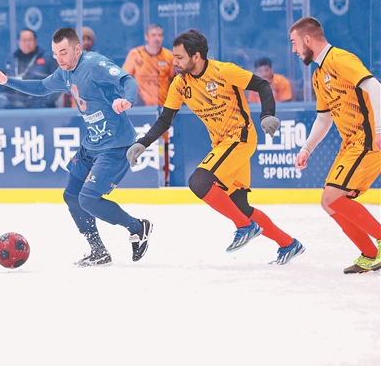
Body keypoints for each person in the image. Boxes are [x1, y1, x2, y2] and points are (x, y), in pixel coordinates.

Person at [127, 29, 305, 265]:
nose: (174, 61)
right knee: (241, 206)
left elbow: (262, 85)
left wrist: (267, 115)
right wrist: (143, 142)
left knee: (199, 182)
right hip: (223, 144)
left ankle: (244, 226)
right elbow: (165, 120)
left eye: (179, 57)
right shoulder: (179, 84)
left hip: (240, 137)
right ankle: (288, 244)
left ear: (196, 56)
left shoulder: (224, 71)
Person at [0, 27, 153, 267]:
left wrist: (128, 100)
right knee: (71, 196)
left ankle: (137, 227)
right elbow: (41, 87)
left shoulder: (94, 64)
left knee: (88, 200)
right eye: (55, 54)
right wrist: (7, 81)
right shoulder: (64, 72)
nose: (59, 59)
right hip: (91, 145)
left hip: (115, 145)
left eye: (63, 52)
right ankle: (98, 251)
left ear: (77, 49)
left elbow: (127, 80)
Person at [290, 17, 381, 273]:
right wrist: (307, 148)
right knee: (329, 202)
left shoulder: (340, 59)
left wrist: (379, 130)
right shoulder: (319, 75)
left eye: (294, 43)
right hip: (350, 144)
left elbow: (376, 88)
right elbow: (324, 118)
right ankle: (370, 254)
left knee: (333, 197)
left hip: (367, 140)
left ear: (308, 39)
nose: (294, 49)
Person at [2, 29, 58, 108]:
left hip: (42, 108)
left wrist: (45, 102)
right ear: (19, 42)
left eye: (30, 40)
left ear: (36, 41)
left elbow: (56, 84)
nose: (27, 43)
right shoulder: (11, 60)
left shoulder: (48, 60)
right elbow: (4, 84)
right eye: (24, 40)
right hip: (16, 107)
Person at [122, 24, 175, 107]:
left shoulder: (169, 56)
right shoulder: (135, 54)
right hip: (141, 107)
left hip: (164, 106)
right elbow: (124, 78)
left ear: (163, 38)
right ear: (147, 37)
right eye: (153, 35)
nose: (157, 38)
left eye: (159, 35)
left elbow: (174, 81)